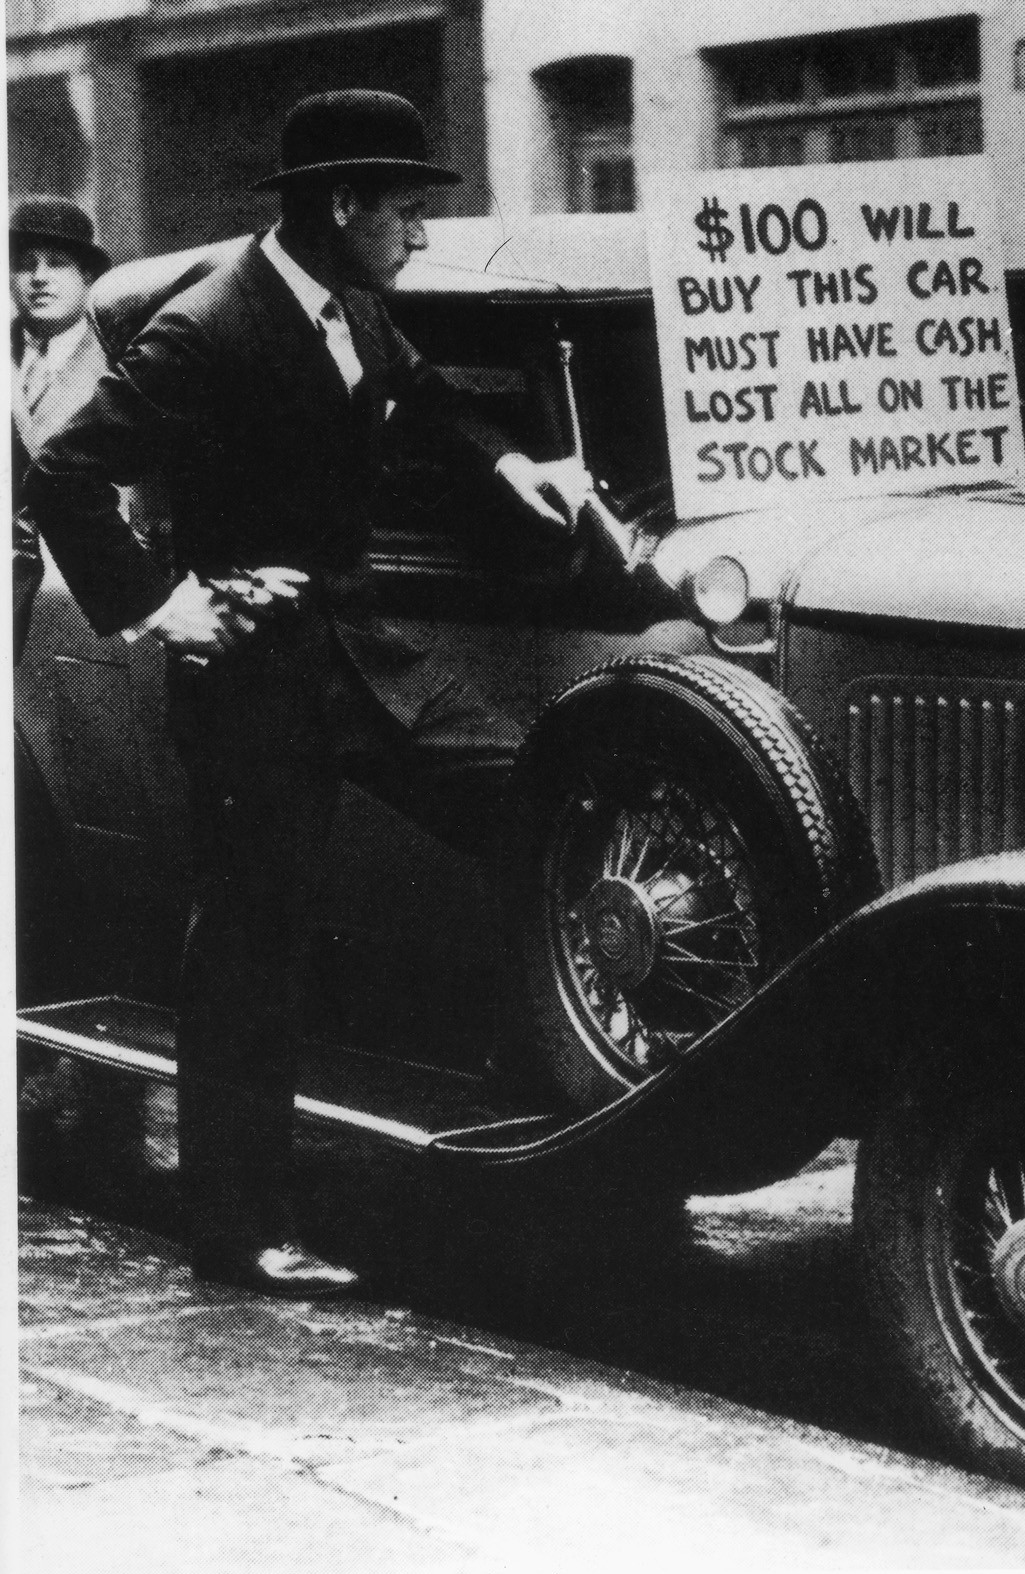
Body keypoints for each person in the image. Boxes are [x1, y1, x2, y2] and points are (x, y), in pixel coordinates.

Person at [22, 90, 597, 1300]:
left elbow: (423, 398)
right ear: (341, 206)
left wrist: (515, 461)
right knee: (251, 944)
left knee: (538, 800)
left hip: (361, 658)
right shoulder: (212, 323)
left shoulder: (349, 308)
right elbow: (66, 470)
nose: (420, 232)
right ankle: (239, 1232)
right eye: (404, 209)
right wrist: (157, 602)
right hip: (249, 680)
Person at [11, 196, 111, 653]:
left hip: (88, 588)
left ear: (87, 276)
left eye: (57, 263)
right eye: (24, 263)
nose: (39, 277)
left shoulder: (122, 357)